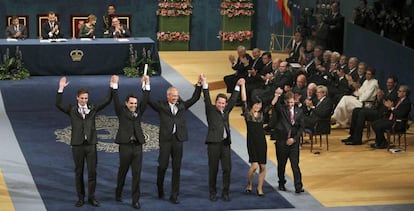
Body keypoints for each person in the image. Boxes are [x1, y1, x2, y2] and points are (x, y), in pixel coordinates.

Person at [55, 76, 115, 207]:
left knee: (92, 172)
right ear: (77, 98)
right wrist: (61, 88)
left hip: (91, 145)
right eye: (82, 98)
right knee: (79, 172)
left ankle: (92, 197)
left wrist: (112, 85)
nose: (84, 100)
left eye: (86, 98)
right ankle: (80, 198)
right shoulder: (71, 110)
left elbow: (107, 100)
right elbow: (58, 104)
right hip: (77, 145)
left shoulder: (93, 108)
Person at [148, 75, 202, 204]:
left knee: (176, 168)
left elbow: (194, 98)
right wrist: (146, 85)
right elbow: (149, 100)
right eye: (173, 96)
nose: (175, 98)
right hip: (166, 141)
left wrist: (199, 85)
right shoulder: (161, 106)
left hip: (178, 140)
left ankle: (174, 195)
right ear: (168, 96)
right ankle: (160, 189)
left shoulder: (182, 105)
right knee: (162, 166)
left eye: (177, 96)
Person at [202, 75, 242, 202]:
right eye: (219, 103)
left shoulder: (226, 110)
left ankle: (226, 192)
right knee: (213, 169)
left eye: (223, 103)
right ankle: (212, 192)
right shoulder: (210, 109)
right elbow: (207, 98)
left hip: (225, 144)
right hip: (213, 144)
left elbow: (234, 99)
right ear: (216, 103)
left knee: (227, 169)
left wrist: (237, 86)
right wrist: (204, 84)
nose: (221, 105)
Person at [113, 75, 150, 209]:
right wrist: (115, 85)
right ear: (126, 104)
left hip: (137, 146)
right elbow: (115, 100)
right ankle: (118, 192)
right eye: (131, 103)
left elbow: (145, 101)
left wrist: (146, 85)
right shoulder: (121, 112)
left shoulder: (139, 113)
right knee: (123, 171)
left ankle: (135, 200)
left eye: (135, 103)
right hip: (125, 147)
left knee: (137, 174)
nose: (134, 105)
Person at [342, 76, 399, 145]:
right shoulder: (385, 91)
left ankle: (357, 139)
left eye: (390, 83)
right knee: (356, 110)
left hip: (384, 114)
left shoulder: (396, 93)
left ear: (395, 84)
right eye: (387, 82)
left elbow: (389, 104)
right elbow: (380, 103)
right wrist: (379, 98)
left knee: (362, 113)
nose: (388, 84)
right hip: (377, 110)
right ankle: (352, 136)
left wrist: (382, 99)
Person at [270, 89, 305, 194]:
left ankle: (298, 186)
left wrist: (294, 139)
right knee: (282, 164)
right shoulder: (282, 110)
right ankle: (281, 183)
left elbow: (301, 127)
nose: (290, 104)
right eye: (288, 102)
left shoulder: (299, 111)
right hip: (282, 142)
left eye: (292, 102)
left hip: (294, 142)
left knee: (295, 164)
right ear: (285, 102)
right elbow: (274, 104)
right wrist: (277, 94)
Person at [240, 78, 267, 197]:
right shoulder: (247, 114)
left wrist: (277, 95)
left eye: (260, 104)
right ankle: (249, 184)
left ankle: (260, 188)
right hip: (252, 141)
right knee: (254, 166)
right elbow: (244, 100)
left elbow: (271, 105)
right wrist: (243, 86)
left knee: (263, 166)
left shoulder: (262, 114)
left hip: (262, 141)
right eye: (256, 104)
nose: (258, 106)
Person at [371, 85, 411, 149]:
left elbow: (400, 114)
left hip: (398, 123)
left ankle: (381, 143)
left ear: (404, 93)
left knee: (378, 126)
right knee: (374, 123)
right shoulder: (398, 100)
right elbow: (393, 108)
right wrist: (390, 107)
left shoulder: (406, 103)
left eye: (400, 91)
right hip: (392, 119)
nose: (397, 92)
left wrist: (391, 108)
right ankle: (382, 142)